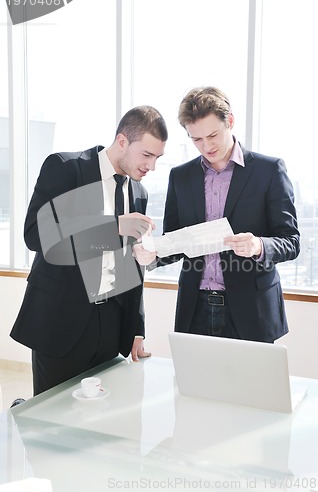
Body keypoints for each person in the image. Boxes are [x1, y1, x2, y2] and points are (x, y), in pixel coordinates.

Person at [10, 105, 168, 395]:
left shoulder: (139, 193)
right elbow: (36, 236)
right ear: (122, 141)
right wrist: (113, 227)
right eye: (147, 155)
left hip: (111, 329)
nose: (152, 166)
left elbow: (131, 266)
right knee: (51, 425)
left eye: (158, 157)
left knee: (101, 425)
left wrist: (136, 327)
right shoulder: (65, 168)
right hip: (61, 323)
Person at [134, 87, 300, 343]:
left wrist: (258, 245)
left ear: (230, 121)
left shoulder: (269, 170)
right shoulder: (181, 176)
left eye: (213, 135)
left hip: (251, 309)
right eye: (196, 139)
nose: (206, 146)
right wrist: (153, 253)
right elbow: (175, 241)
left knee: (250, 383)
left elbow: (291, 241)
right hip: (195, 307)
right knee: (194, 383)